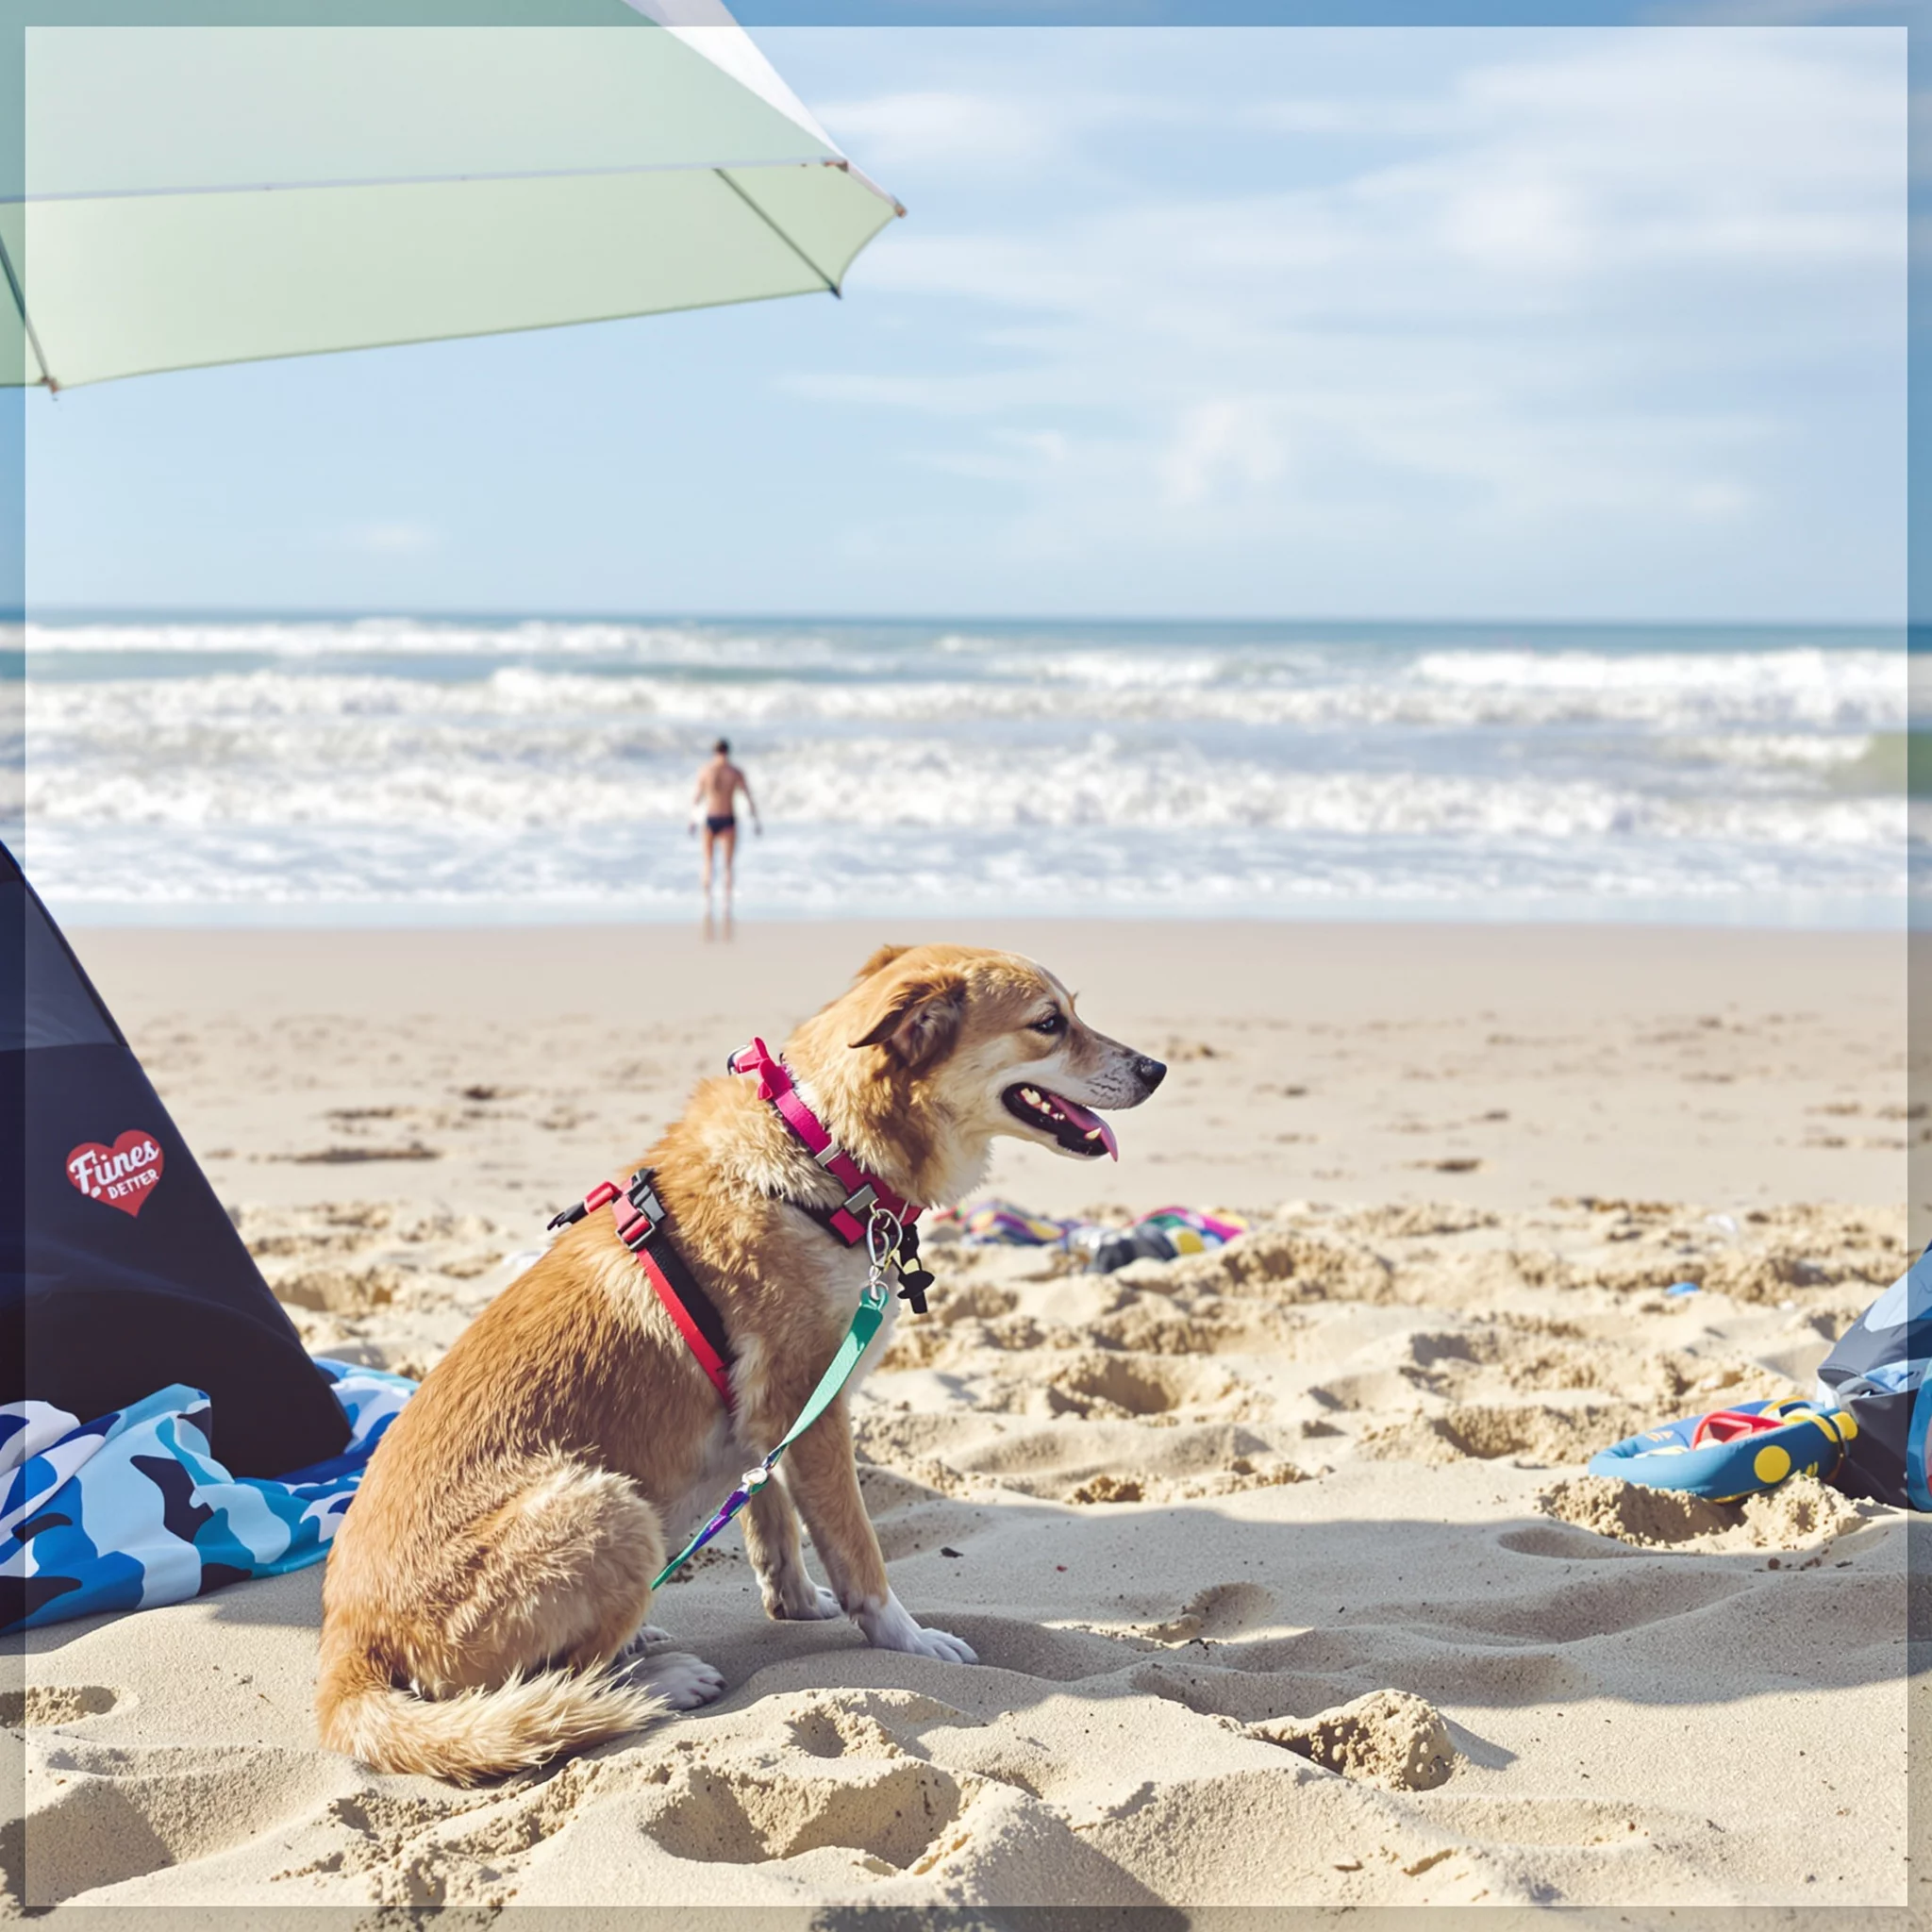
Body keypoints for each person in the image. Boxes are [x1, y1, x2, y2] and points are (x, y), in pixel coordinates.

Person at [689, 738, 760, 909]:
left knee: (708, 863)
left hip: (710, 819)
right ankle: (727, 905)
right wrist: (756, 820)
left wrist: (692, 820)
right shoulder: (735, 772)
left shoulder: (705, 771)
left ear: (714, 752)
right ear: (728, 751)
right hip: (728, 819)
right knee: (727, 865)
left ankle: (707, 903)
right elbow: (748, 797)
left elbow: (697, 798)